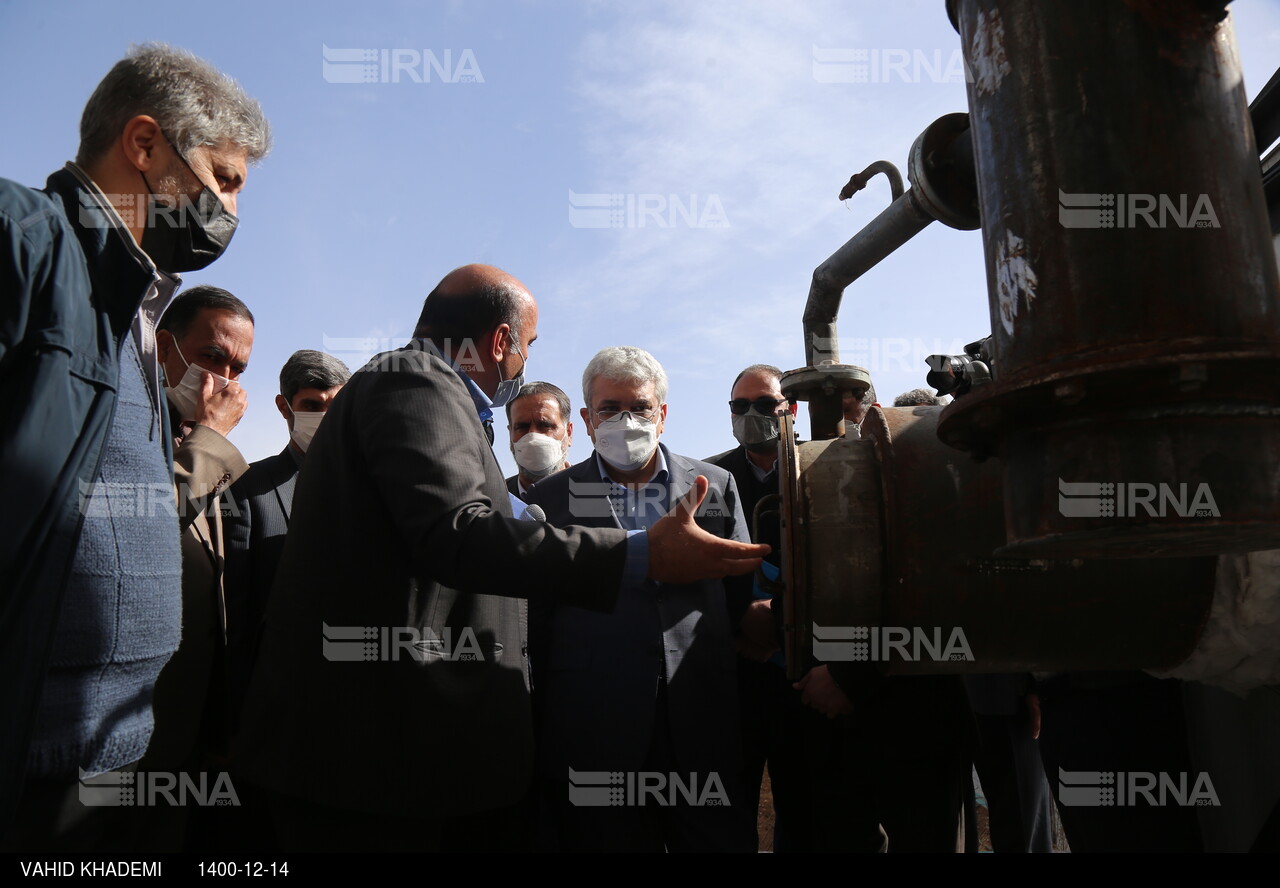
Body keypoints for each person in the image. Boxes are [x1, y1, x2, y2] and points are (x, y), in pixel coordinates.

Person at [235, 266, 767, 852]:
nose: (526, 364)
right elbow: (461, 532)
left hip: (392, 753)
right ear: (500, 342)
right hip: (380, 755)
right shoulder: (417, 382)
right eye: (529, 346)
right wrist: (642, 555)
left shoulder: (416, 390)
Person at [0, 44, 269, 849]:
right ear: (145, 144)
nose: (228, 210)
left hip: (115, 756)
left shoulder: (136, 314)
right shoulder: (26, 240)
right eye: (223, 180)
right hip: (31, 758)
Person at [526, 346, 758, 852]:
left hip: (700, 713)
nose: (625, 420)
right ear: (586, 419)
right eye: (610, 409)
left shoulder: (715, 486)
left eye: (640, 407)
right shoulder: (551, 499)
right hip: (592, 720)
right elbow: (537, 618)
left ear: (663, 414)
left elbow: (742, 594)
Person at [132, 286, 255, 851]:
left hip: (186, 721)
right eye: (211, 357)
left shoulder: (201, 444)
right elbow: (143, 525)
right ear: (164, 348)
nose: (225, 379)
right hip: (122, 724)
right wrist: (211, 439)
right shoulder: (128, 419)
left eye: (239, 367)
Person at [705, 364, 811, 851]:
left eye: (764, 404)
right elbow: (697, 574)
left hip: (808, 676)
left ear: (789, 408)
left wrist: (786, 622)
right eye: (739, 406)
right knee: (730, 813)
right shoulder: (706, 480)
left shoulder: (824, 467)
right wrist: (740, 625)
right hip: (735, 677)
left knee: (808, 811)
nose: (751, 415)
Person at [223, 349, 352, 730]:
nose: (326, 416)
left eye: (336, 404)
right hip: (278, 708)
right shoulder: (246, 488)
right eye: (312, 404)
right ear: (284, 407)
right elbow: (237, 617)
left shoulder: (373, 487)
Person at [505, 381, 573, 500]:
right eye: (522, 427)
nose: (532, 436)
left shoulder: (594, 497)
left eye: (545, 425)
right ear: (510, 434)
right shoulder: (494, 499)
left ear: (569, 432)